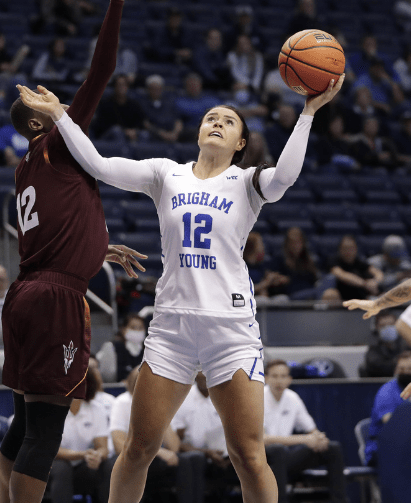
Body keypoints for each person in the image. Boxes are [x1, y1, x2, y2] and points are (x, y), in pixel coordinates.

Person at [17, 70, 344, 503]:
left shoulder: (248, 182)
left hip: (230, 330)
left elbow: (285, 177)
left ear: (240, 144)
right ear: (199, 132)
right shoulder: (166, 173)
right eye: (211, 118)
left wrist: (308, 113)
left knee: (247, 455)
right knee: (138, 449)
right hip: (172, 328)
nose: (217, 122)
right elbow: (98, 165)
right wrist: (60, 115)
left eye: (228, 121)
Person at [0, 3, 146, 503]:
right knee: (45, 433)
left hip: (26, 292)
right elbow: (102, 69)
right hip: (53, 299)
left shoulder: (26, 167)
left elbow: (52, 231)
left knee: (24, 425)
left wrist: (97, 247)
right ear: (38, 123)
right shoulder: (58, 143)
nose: (59, 104)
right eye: (49, 105)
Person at [110, 367, 205, 503]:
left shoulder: (161, 403)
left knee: (192, 459)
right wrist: (158, 452)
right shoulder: (122, 402)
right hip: (133, 455)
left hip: (155, 457)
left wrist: (161, 413)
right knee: (138, 463)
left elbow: (174, 447)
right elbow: (119, 444)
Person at [263, 360, 348, 503]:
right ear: (266, 378)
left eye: (283, 376)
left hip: (285, 458)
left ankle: (339, 500)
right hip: (264, 458)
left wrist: (320, 439)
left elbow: (312, 430)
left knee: (332, 448)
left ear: (290, 379)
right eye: (275, 376)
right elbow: (263, 439)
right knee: (277, 450)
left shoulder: (292, 397)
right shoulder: (258, 397)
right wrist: (305, 439)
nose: (279, 381)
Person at [48, 365, 112, 503]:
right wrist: (82, 454)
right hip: (51, 466)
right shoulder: (49, 409)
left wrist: (97, 456)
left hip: (83, 466)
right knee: (62, 468)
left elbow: (103, 447)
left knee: (108, 466)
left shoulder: (97, 409)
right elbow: (50, 450)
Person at [171, 372, 238, 500]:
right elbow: (176, 442)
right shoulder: (181, 397)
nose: (206, 374)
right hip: (192, 453)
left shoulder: (228, 395)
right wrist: (207, 453)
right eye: (202, 369)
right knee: (196, 458)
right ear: (195, 373)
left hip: (222, 452)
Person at [363, 351, 411, 466]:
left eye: (409, 369)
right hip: (382, 447)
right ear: (395, 370)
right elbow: (392, 424)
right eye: (401, 369)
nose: (406, 372)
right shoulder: (386, 391)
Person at [92, 74, 146, 142]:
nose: (121, 87)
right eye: (119, 85)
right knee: (116, 131)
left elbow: (141, 121)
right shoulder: (105, 103)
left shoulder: (134, 104)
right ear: (114, 87)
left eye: (124, 85)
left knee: (144, 134)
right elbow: (103, 125)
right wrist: (124, 130)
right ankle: (122, 149)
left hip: (129, 135)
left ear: (128, 87)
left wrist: (134, 130)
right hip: (108, 137)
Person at [329, 235, 383, 301]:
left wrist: (374, 282)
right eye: (345, 248)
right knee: (330, 294)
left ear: (356, 249)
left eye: (351, 248)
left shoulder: (360, 262)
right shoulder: (334, 261)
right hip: (342, 295)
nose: (348, 251)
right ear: (340, 249)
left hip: (362, 295)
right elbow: (341, 274)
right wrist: (365, 284)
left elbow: (378, 273)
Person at [96, 313, 146, 382]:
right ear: (124, 329)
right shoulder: (112, 347)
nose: (137, 331)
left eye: (140, 328)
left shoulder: (148, 351)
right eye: (133, 327)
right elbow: (106, 377)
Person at [360, 310, 410, 377]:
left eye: (391, 324)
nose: (388, 328)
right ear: (376, 328)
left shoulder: (406, 344)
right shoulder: (374, 348)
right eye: (383, 326)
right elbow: (376, 366)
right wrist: (398, 362)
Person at [138, 74, 183, 144]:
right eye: (153, 89)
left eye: (158, 89)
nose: (156, 91)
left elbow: (178, 121)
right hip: (154, 134)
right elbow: (146, 124)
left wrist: (175, 133)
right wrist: (163, 134)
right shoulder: (143, 104)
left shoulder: (169, 102)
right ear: (148, 89)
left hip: (172, 133)